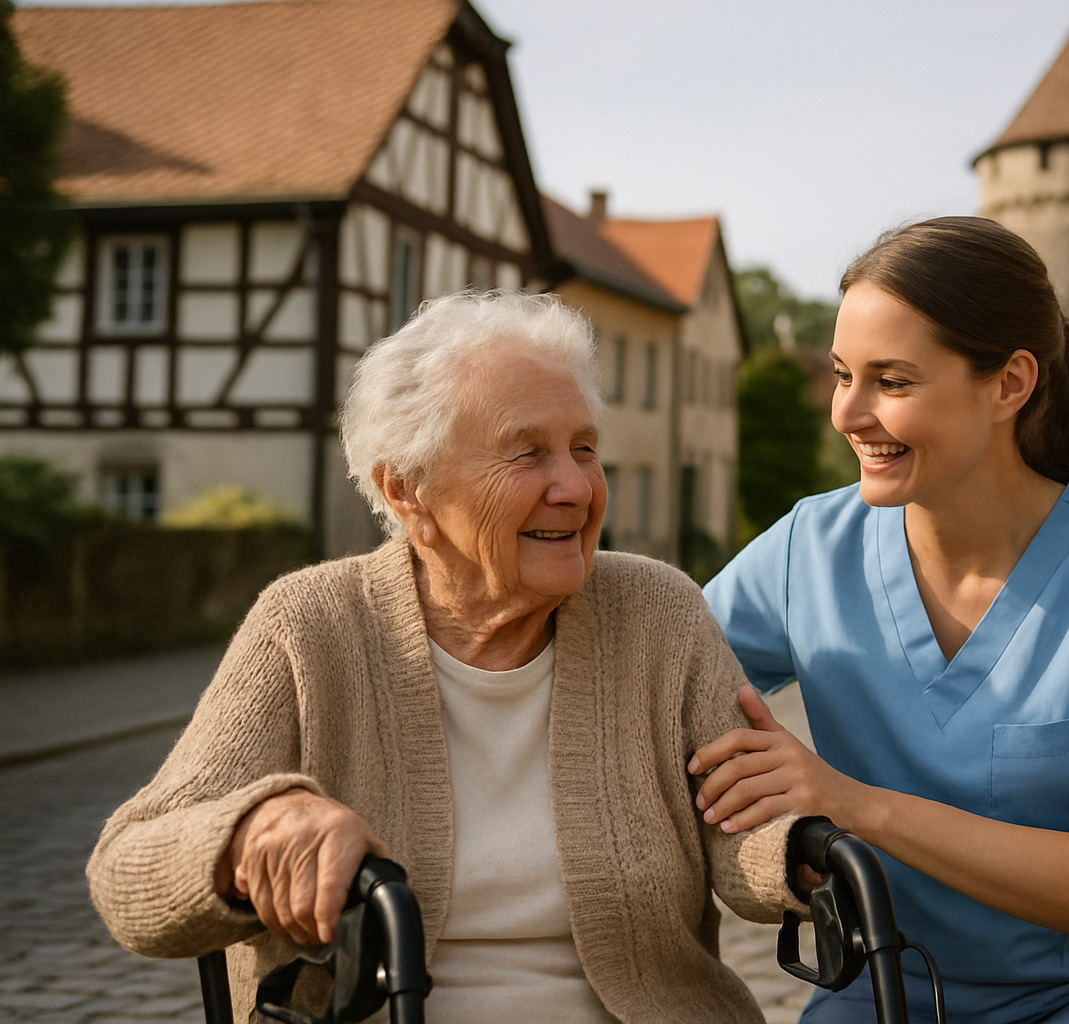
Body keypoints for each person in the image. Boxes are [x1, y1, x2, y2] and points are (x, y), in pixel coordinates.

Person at [87, 290, 806, 1024]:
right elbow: (126, 875)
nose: (575, 487)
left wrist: (801, 844)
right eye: (527, 453)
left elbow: (745, 836)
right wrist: (250, 836)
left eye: (584, 448)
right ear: (408, 490)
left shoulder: (659, 613)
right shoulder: (308, 626)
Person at [692, 217, 1069, 1024]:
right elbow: (652, 681)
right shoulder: (806, 550)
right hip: (896, 983)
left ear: (1010, 384)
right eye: (841, 375)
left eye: (891, 382)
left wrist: (856, 804)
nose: (848, 413)